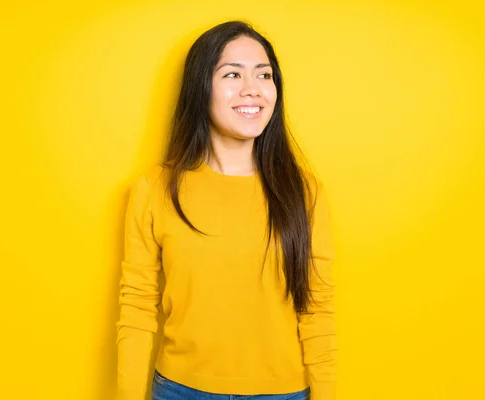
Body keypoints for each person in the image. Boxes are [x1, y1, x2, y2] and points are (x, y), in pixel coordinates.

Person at [116, 20, 337, 400]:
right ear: (201, 88)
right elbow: (136, 305)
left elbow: (317, 308)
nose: (252, 89)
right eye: (232, 73)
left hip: (284, 393)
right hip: (179, 391)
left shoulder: (303, 191)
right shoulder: (154, 189)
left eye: (264, 75)